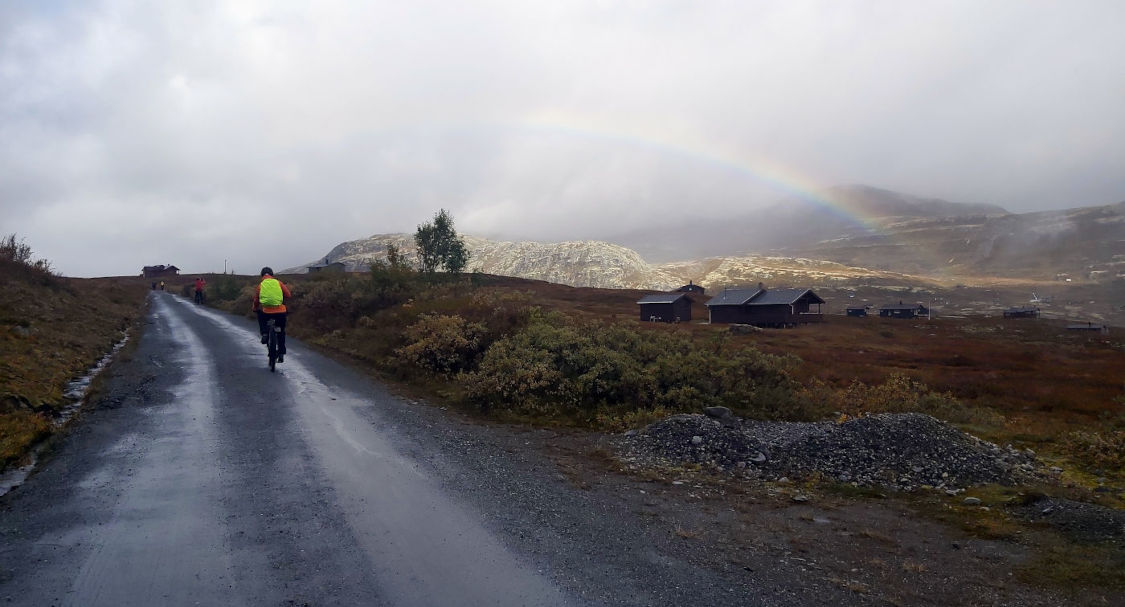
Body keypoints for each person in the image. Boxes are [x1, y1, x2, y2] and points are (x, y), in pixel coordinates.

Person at [253, 267, 292, 362]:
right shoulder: (279, 283)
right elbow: (288, 295)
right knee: (281, 332)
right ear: (272, 275)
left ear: (262, 275)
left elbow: (256, 300)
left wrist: (255, 308)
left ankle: (265, 333)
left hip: (267, 312)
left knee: (260, 315)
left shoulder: (260, 285)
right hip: (281, 312)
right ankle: (281, 353)